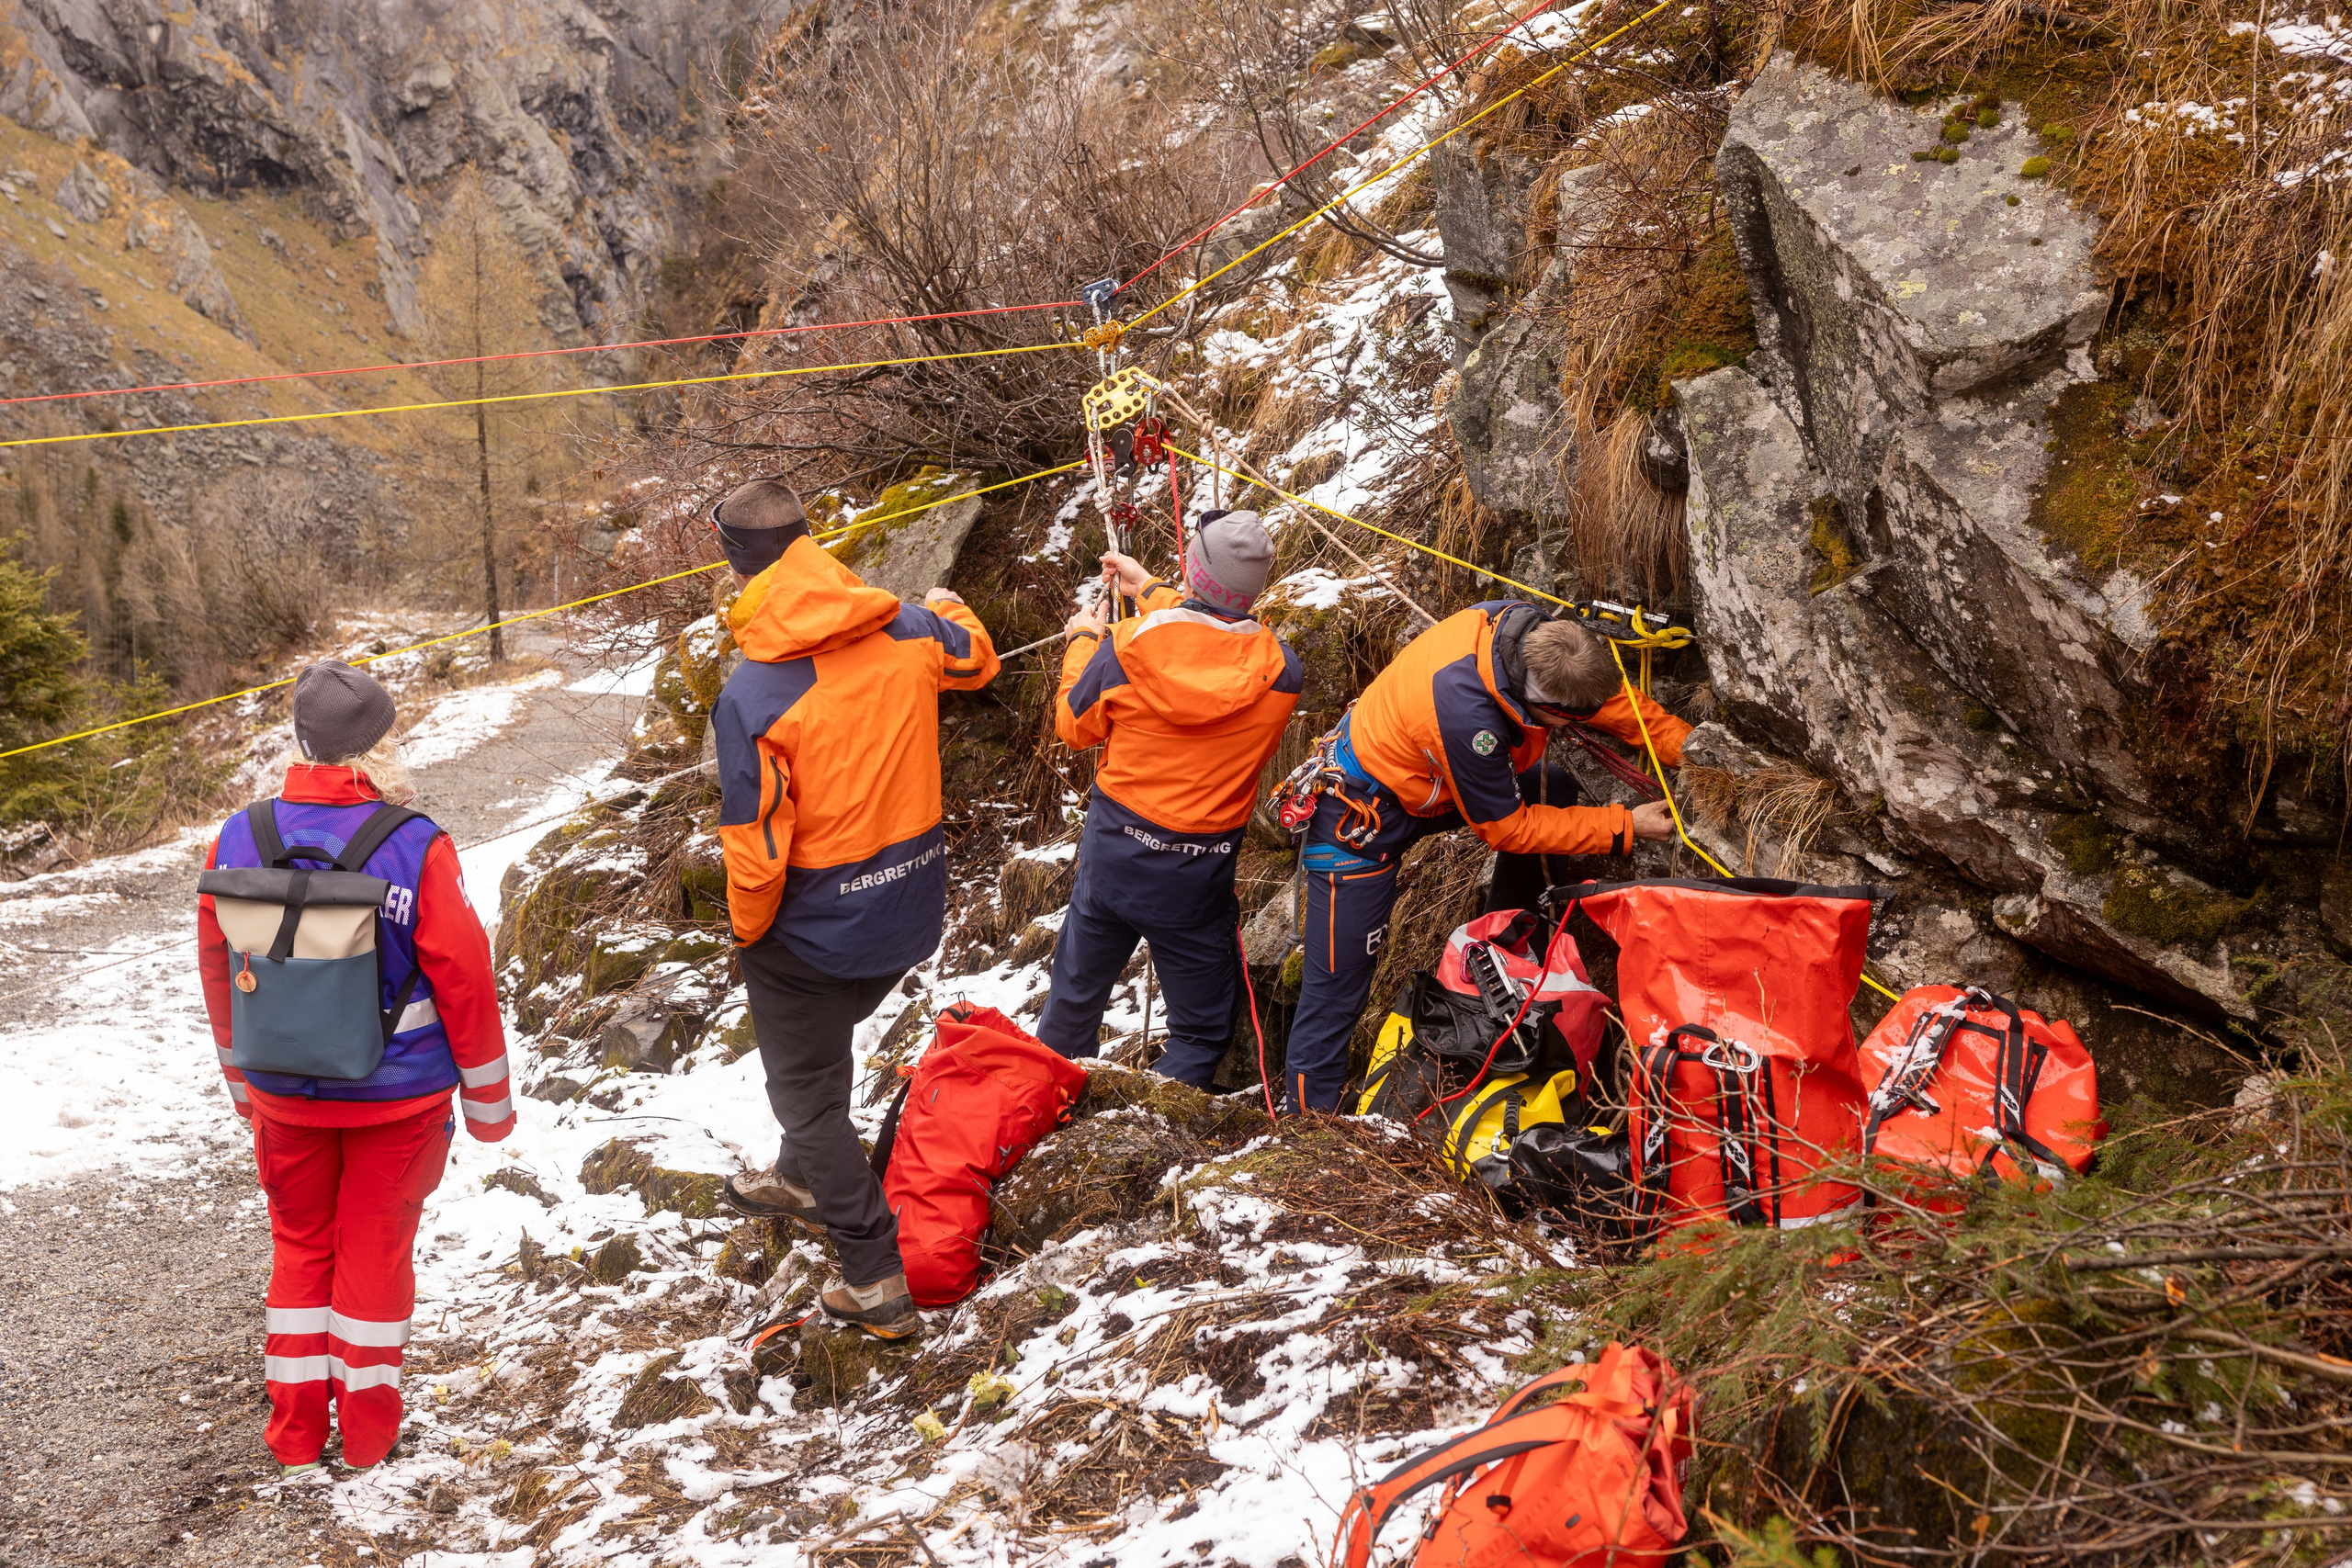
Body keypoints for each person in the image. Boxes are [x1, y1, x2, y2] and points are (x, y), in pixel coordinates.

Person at [197, 661, 514, 1480]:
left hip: (283, 1095)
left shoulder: (239, 837)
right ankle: (369, 1437)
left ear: (302, 744)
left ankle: (295, 1434)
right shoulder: (414, 844)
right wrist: (489, 1103)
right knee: (373, 1257)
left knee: (301, 1249)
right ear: (378, 747)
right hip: (398, 1102)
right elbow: (465, 978)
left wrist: (242, 1083)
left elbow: (215, 961)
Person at [707, 475, 999, 1341]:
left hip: (812, 931)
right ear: (810, 537)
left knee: (808, 1100)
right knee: (818, 1060)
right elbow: (975, 659)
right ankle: (800, 1177)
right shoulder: (906, 626)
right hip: (909, 907)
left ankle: (874, 1276)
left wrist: (747, 934)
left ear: (738, 565)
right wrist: (951, 603)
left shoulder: (755, 693)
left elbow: (754, 844)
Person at [1282, 602, 1691, 1111]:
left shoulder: (1528, 634)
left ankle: (1512, 944)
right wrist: (1625, 826)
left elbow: (1595, 699)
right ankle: (1304, 1121)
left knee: (1553, 787)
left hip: (1422, 778)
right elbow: (1508, 829)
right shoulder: (1468, 717)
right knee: (1337, 983)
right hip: (1357, 822)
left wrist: (1683, 744)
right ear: (1543, 704)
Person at [1036, 511, 1302, 1085]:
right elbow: (1215, 643)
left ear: (1192, 570)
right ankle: (1156, 1130)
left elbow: (1074, 727)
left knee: (1072, 1004)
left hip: (1115, 853)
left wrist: (1084, 642)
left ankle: (1043, 1119)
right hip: (1196, 873)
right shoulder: (1280, 673)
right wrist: (1154, 590)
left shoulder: (1123, 649)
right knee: (1202, 1032)